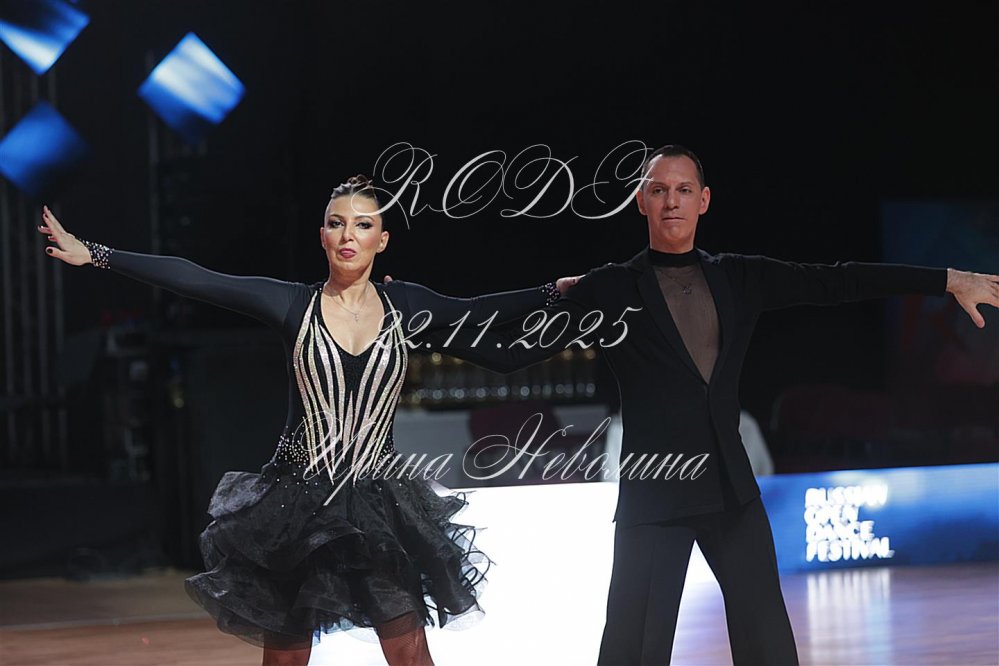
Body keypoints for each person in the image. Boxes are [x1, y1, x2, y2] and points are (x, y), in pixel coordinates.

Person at [416, 145, 999, 665]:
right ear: (641, 202)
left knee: (768, 646)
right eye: (658, 190)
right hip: (656, 494)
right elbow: (511, 352)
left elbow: (838, 280)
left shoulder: (740, 277)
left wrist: (948, 280)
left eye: (683, 189)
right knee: (632, 652)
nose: (671, 200)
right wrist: (419, 318)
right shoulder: (611, 288)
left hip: (731, 491)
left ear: (704, 200)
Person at [37, 175, 579, 666]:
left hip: (379, 500)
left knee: (409, 651)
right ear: (322, 236)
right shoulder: (293, 304)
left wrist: (553, 292)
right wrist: (97, 254)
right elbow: (197, 279)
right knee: (287, 657)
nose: (348, 235)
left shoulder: (407, 305)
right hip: (298, 502)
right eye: (337, 224)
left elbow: (478, 312)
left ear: (382, 240)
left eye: (363, 225)